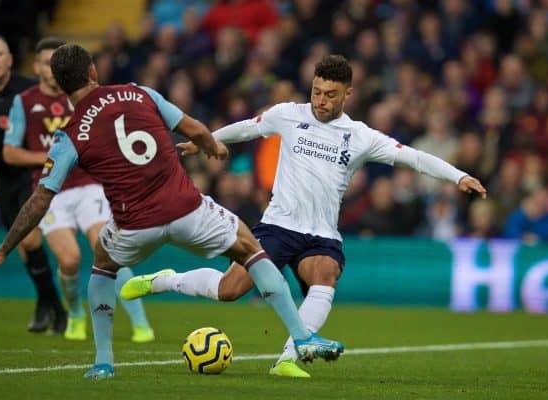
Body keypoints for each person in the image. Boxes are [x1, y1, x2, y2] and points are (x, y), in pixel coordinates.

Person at [0, 44, 344, 380]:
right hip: (188, 210)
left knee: (101, 266)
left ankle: (103, 362)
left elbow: (40, 199)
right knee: (250, 247)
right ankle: (302, 335)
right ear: (94, 71)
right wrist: (211, 146)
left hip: (134, 227)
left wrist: (3, 249)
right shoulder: (138, 92)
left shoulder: (69, 134)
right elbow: (193, 128)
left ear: (61, 87)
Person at [131, 55, 487, 378]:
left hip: (321, 235)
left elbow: (413, 157)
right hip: (277, 227)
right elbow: (248, 127)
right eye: (316, 91)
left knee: (325, 274)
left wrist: (458, 176)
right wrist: (205, 141)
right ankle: (164, 280)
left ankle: (288, 358)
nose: (320, 100)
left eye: (330, 94)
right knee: (229, 290)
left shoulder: (360, 136)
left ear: (347, 93)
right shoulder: (289, 114)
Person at [2, 37, 154, 343]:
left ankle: (140, 322)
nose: (51, 69)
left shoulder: (85, 99)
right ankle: (75, 314)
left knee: (109, 250)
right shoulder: (26, 101)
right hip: (51, 192)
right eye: (45, 63)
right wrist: (53, 159)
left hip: (88, 186)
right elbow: (9, 153)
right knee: (69, 259)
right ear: (37, 67)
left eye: (55, 63)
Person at [0, 33, 66, 333]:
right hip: (6, 178)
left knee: (29, 239)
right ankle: (51, 306)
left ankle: (54, 308)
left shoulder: (30, 89)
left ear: (9, 59)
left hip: (36, 176)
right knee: (23, 247)